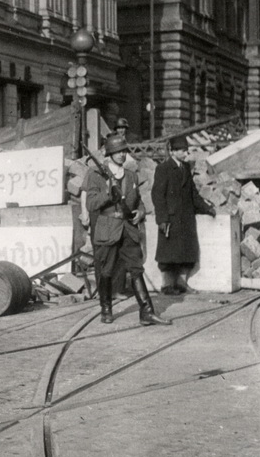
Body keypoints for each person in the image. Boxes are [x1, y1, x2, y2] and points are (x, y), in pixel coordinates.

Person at [85, 134, 171, 325]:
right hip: (107, 229)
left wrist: (140, 213)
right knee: (106, 271)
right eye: (117, 151)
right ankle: (106, 309)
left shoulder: (131, 175)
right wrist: (109, 193)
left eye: (124, 150)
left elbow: (138, 201)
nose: (122, 155)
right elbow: (91, 204)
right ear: (109, 153)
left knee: (136, 270)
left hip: (128, 229)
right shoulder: (96, 175)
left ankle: (146, 312)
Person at [151, 136, 216, 295]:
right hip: (171, 219)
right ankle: (167, 286)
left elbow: (193, 194)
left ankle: (181, 284)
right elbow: (157, 196)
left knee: (187, 252)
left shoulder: (185, 168)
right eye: (182, 150)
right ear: (172, 151)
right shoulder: (163, 168)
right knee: (168, 255)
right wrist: (162, 219)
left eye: (186, 149)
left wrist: (206, 208)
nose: (186, 152)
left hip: (186, 218)